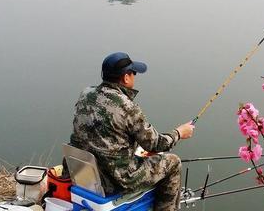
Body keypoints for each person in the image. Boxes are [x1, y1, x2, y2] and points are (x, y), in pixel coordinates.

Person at [71, 52, 194, 211]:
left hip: (87, 175)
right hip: (118, 178)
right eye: (133, 73)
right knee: (173, 162)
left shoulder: (86, 94)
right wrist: (179, 133)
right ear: (126, 78)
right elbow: (155, 144)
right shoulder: (126, 106)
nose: (135, 77)